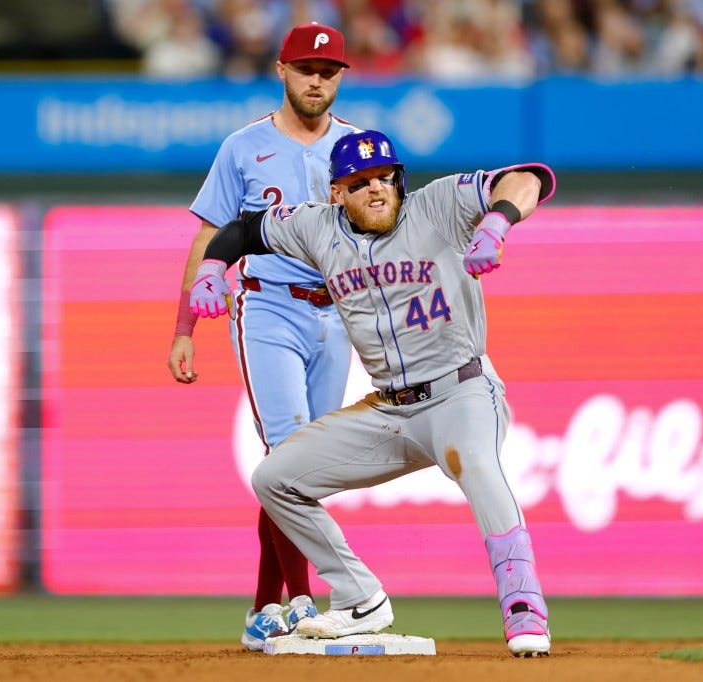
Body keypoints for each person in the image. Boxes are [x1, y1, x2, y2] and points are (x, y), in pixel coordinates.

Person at [187, 130, 556, 657]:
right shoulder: (317, 227)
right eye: (360, 183)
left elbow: (530, 178)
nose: (377, 189)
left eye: (385, 177)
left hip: (461, 393)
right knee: (274, 477)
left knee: (476, 461)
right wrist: (211, 268)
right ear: (337, 192)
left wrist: (498, 220)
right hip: (388, 411)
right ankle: (359, 597)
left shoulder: (438, 206)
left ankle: (523, 605)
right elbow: (244, 229)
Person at [167, 22, 359, 652]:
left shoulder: (359, 149)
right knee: (287, 454)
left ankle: (260, 611)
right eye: (306, 68)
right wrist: (186, 325)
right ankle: (303, 602)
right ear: (282, 70)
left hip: (336, 317)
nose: (317, 79)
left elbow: (384, 231)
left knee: (304, 469)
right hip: (268, 309)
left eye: (328, 71)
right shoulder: (244, 147)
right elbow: (206, 236)